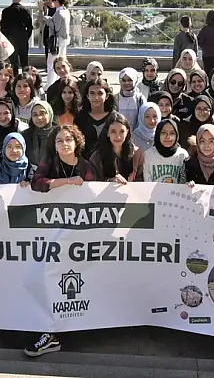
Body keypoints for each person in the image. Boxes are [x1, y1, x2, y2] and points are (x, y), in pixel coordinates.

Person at [26, 124, 98, 357]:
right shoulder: (51, 163)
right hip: (51, 237)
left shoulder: (87, 166)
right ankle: (51, 333)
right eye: (59, 140)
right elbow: (37, 183)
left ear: (77, 142)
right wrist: (65, 182)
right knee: (48, 276)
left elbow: (96, 196)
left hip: (80, 237)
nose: (64, 144)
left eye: (68, 139)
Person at [89, 113, 141, 182]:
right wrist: (111, 181)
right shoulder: (97, 157)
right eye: (113, 132)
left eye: (122, 132)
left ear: (127, 132)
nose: (118, 136)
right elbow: (93, 183)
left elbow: (142, 180)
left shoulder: (136, 154)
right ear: (107, 133)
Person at [138, 117, 189, 182]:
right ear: (158, 134)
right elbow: (147, 184)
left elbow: (185, 182)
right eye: (163, 133)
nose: (168, 137)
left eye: (172, 133)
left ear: (177, 135)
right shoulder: (148, 155)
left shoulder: (183, 154)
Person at [77, 80, 115, 158]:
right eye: (92, 93)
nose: (96, 97)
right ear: (87, 96)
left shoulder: (115, 117)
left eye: (100, 93)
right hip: (86, 164)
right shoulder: (80, 118)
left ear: (107, 96)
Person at [0, 0, 34, 72]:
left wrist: (6, 39)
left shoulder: (6, 11)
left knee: (13, 63)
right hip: (22, 39)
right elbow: (30, 26)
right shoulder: (25, 10)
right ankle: (26, 79)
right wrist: (26, 37)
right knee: (24, 62)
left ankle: (14, 80)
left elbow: (3, 27)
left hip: (10, 40)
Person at [44, 0, 71, 88]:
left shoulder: (58, 13)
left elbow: (55, 27)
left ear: (58, 1)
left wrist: (47, 20)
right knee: (62, 59)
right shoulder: (66, 11)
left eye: (54, 0)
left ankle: (49, 84)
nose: (52, 2)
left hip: (57, 41)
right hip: (64, 39)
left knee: (51, 62)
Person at [22, 100, 56, 167]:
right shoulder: (26, 135)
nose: (39, 118)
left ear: (49, 113)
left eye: (42, 113)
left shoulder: (58, 133)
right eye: (35, 115)